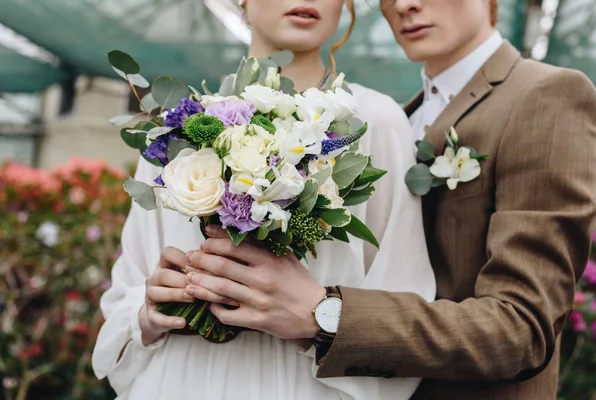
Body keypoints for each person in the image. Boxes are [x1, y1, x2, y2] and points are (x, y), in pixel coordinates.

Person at [184, 0, 596, 399]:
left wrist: (325, 313)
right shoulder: (392, 119)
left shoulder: (545, 94)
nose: (404, 5)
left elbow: (521, 328)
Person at [91, 0, 436, 399]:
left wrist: (318, 317)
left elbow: (404, 302)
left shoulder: (374, 122)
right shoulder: (174, 128)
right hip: (182, 379)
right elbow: (123, 301)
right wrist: (149, 312)